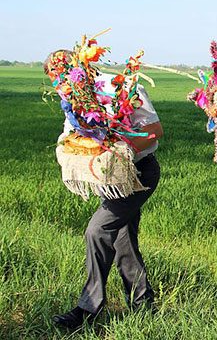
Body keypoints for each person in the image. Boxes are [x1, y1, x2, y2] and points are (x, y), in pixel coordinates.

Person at [51, 61, 163, 328]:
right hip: (107, 178)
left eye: (59, 75)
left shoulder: (121, 87)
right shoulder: (77, 99)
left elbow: (155, 132)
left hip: (136, 174)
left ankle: (88, 308)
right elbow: (70, 136)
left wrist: (119, 155)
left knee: (97, 231)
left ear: (76, 68)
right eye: (54, 79)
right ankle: (143, 305)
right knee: (122, 238)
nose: (58, 85)